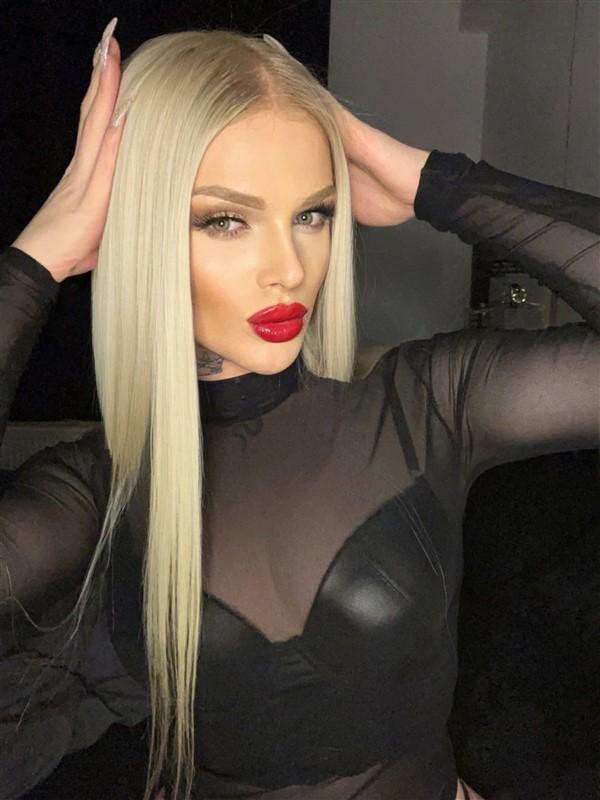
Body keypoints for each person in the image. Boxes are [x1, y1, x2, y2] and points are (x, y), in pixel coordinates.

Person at [0, 18, 597, 800]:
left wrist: (431, 181)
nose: (288, 267)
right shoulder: (95, 496)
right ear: (143, 232)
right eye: (226, 219)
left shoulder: (425, 409)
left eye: (313, 213)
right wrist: (38, 259)